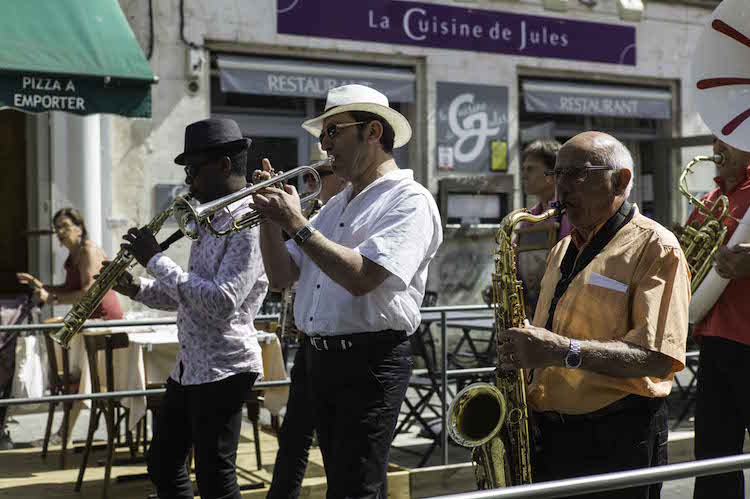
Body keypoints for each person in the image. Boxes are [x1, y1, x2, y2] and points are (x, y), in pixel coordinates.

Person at [252, 84, 443, 498]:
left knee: (356, 488)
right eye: (322, 135)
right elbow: (281, 276)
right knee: (339, 483)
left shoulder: (410, 200)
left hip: (368, 361)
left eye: (333, 132)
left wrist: (297, 224)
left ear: (372, 132)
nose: (324, 146)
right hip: (319, 360)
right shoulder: (338, 204)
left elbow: (363, 278)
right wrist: (270, 218)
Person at [498, 131, 690, 498]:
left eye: (578, 174)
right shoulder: (561, 251)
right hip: (551, 436)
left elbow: (658, 358)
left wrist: (560, 351)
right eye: (557, 174)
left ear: (621, 181)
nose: (561, 189)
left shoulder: (657, 247)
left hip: (618, 437)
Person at [109, 118, 268, 499]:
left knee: (214, 478)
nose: (188, 179)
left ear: (225, 166)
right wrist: (137, 288)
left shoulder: (247, 223)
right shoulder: (211, 218)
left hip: (225, 368)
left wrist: (156, 260)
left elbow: (222, 302)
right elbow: (191, 297)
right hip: (191, 366)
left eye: (194, 169)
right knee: (163, 464)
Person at [267, 153, 348, 499]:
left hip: (344, 346)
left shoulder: (329, 219)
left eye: (322, 174)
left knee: (350, 456)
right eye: (310, 176)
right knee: (295, 434)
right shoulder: (315, 216)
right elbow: (281, 275)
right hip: (308, 339)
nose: (312, 183)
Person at [17, 207, 123, 446]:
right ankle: (64, 433)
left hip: (103, 321)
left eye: (65, 226)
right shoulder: (72, 256)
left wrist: (52, 299)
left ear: (79, 227)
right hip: (86, 323)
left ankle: (66, 434)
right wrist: (42, 286)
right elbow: (67, 289)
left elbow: (89, 292)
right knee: (75, 377)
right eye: (57, 228)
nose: (60, 232)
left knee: (88, 379)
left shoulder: (88, 250)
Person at [687, 136, 750, 499]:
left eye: (729, 139)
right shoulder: (709, 200)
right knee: (712, 461)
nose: (718, 147)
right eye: (715, 139)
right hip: (713, 341)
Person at [515, 138, 572, 315]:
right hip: (535, 309)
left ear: (553, 174)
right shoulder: (528, 217)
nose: (524, 175)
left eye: (530, 169)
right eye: (523, 169)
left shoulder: (571, 214)